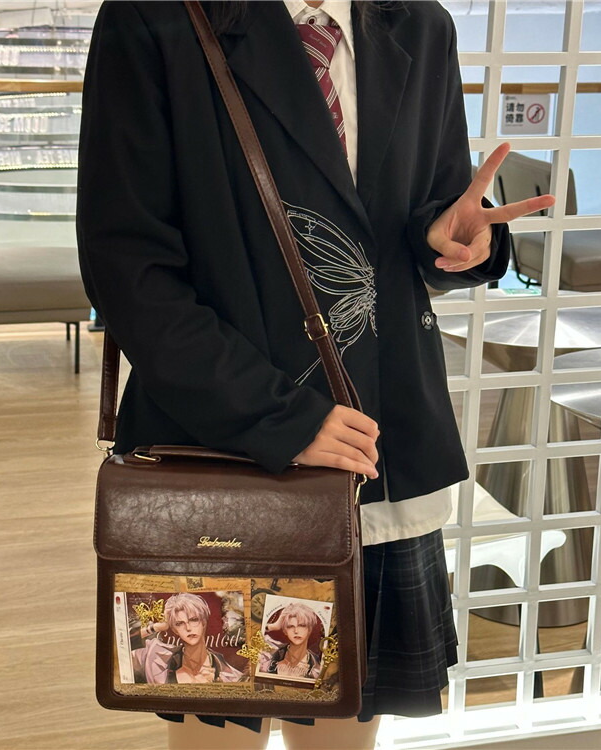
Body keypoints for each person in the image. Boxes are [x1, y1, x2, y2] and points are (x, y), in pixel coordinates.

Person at [76, 1, 554, 748]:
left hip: (376, 448)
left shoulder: (418, 25)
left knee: (345, 725)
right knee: (217, 717)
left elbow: (416, 218)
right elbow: (128, 267)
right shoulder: (155, 16)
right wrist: (280, 418)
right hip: (222, 450)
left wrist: (453, 242)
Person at [131, 592, 246, 685]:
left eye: (193, 620)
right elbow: (123, 648)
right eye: (179, 623)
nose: (188, 628)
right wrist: (157, 627)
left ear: (204, 622)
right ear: (175, 629)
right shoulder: (156, 656)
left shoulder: (231, 676)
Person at [259, 602, 323, 681]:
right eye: (290, 626)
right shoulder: (271, 655)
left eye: (302, 626)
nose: (296, 631)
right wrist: (273, 626)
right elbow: (252, 635)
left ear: (309, 629)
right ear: (285, 631)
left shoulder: (318, 664)